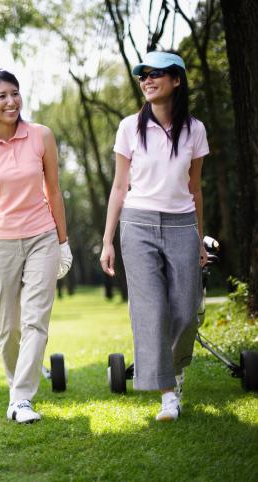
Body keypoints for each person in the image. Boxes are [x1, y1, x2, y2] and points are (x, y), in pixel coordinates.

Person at [100, 51, 209, 421]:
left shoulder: (195, 130)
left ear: (176, 80)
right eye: (142, 75)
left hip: (182, 225)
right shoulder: (129, 127)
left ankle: (175, 370)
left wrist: (200, 238)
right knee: (150, 311)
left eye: (156, 74)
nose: (147, 80)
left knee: (186, 309)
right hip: (137, 224)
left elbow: (195, 189)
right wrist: (106, 241)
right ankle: (167, 396)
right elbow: (118, 186)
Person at [0, 68, 72, 424]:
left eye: (15, 93)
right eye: (2, 96)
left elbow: (53, 190)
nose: (11, 101)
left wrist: (63, 241)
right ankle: (17, 393)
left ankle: (22, 399)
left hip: (42, 237)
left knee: (35, 320)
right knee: (8, 327)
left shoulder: (41, 136)